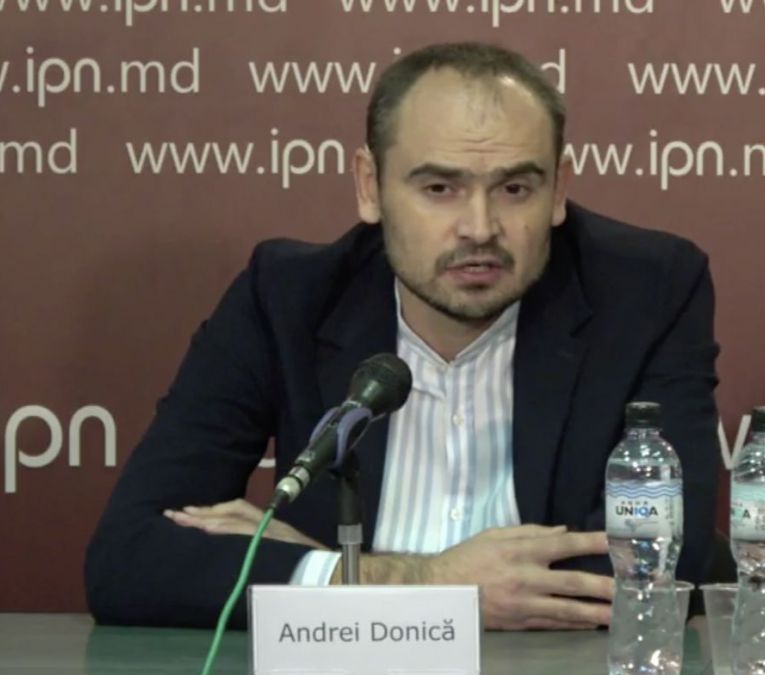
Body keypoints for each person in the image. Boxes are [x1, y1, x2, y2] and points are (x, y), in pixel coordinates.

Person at [85, 41, 721, 632]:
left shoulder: (646, 292)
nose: (479, 227)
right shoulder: (285, 299)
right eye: (439, 188)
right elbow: (128, 558)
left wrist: (332, 573)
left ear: (558, 190)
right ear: (370, 186)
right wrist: (426, 582)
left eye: (514, 188)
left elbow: (662, 560)